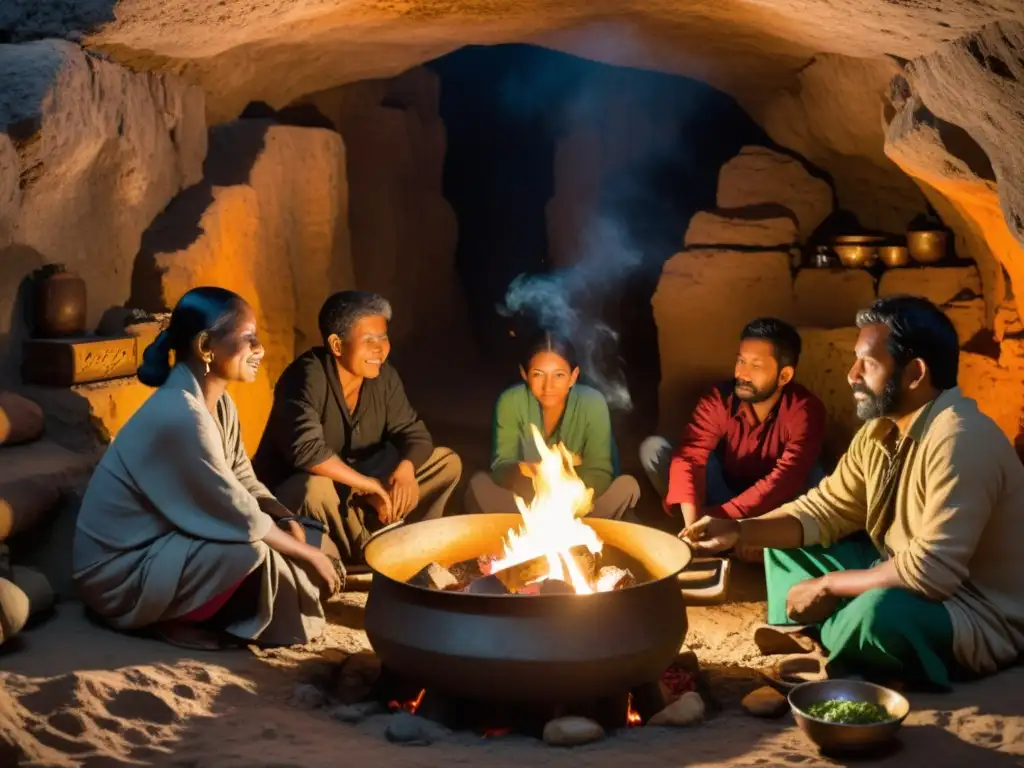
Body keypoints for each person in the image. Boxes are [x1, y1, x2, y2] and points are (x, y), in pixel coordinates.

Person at [684, 296, 1024, 691]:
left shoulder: (961, 438)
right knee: (784, 540)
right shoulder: (882, 429)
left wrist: (829, 584)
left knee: (879, 613)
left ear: (915, 373)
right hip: (903, 570)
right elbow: (825, 509)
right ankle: (827, 633)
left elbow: (932, 574)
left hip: (971, 610)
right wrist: (739, 530)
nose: (851, 375)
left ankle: (827, 638)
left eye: (869, 364)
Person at [73, 287, 339, 651]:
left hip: (176, 545)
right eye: (247, 338)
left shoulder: (220, 405)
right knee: (255, 555)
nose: (258, 348)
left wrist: (282, 516)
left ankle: (203, 609)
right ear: (205, 347)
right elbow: (238, 515)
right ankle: (168, 621)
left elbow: (243, 478)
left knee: (312, 541)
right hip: (119, 573)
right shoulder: (180, 415)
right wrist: (305, 553)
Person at [253, 291, 461, 563]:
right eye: (369, 340)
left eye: (383, 337)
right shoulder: (306, 376)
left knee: (445, 462)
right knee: (314, 489)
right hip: (304, 498)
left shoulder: (383, 377)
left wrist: (405, 471)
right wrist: (369, 487)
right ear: (337, 345)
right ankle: (361, 557)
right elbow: (306, 451)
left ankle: (416, 544)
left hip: (359, 493)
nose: (380, 349)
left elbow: (414, 432)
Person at [640, 318, 826, 543]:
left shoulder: (804, 410)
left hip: (772, 511)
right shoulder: (720, 398)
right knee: (654, 450)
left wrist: (722, 521)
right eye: (741, 361)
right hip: (721, 494)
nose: (742, 374)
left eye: (755, 365)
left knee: (817, 481)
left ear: (784, 376)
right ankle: (702, 534)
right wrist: (694, 526)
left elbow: (783, 481)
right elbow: (691, 457)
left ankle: (755, 542)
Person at [464, 331, 641, 519]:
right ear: (524, 374)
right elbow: (500, 467)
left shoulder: (592, 403)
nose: (548, 386)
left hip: (584, 504)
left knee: (627, 486)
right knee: (479, 485)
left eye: (559, 375)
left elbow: (600, 472)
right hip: (530, 502)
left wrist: (565, 498)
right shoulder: (511, 402)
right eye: (538, 374)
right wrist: (527, 472)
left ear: (573, 376)